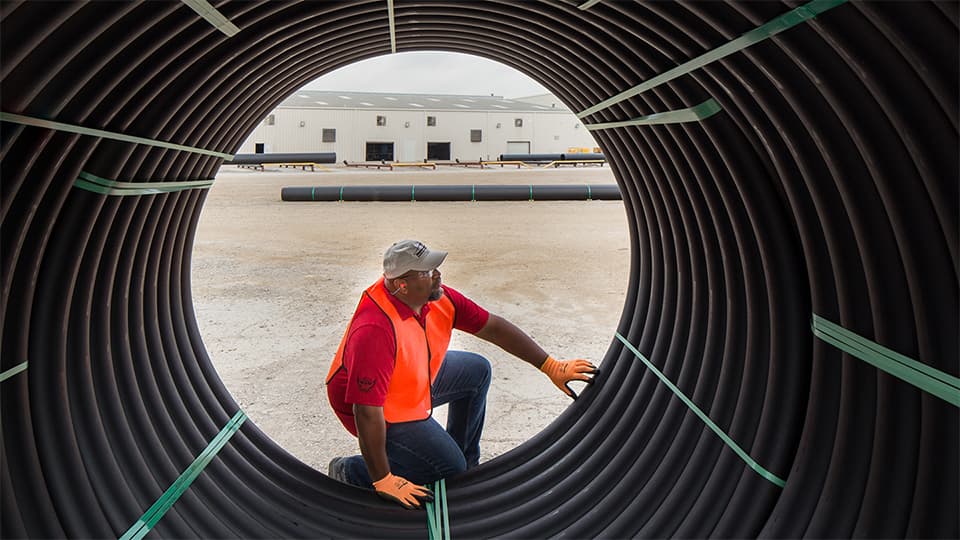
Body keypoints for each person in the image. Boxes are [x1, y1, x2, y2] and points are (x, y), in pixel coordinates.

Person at [325, 240, 597, 509]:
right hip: (378, 406)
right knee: (447, 467)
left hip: (411, 376)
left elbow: (493, 327)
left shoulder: (440, 299)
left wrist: (550, 365)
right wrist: (383, 479)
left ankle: (464, 467)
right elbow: (366, 411)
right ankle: (352, 471)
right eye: (428, 272)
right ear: (401, 285)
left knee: (476, 371)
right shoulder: (374, 329)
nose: (438, 275)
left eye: (435, 267)